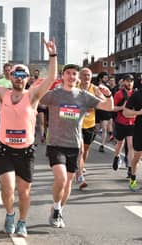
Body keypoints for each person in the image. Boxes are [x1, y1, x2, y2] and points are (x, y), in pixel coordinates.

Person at [0, 38, 57, 237]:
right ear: (10, 76)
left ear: (27, 78)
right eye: (15, 74)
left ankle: (22, 221)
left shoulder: (33, 96)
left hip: (26, 151)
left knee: (24, 191)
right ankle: (10, 214)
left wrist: (52, 55)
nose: (19, 77)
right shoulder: (3, 93)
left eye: (23, 74)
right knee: (8, 187)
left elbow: (51, 78)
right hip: (5, 150)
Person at [40, 64, 113, 228]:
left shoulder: (84, 96)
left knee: (68, 183)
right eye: (68, 73)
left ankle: (58, 210)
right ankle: (57, 208)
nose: (71, 76)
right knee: (61, 177)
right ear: (63, 76)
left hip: (74, 145)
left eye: (74, 74)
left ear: (77, 78)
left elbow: (109, 107)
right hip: (56, 144)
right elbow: (34, 97)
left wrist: (109, 95)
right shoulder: (54, 95)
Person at [76, 68, 104, 189]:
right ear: (80, 76)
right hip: (76, 123)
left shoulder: (95, 89)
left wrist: (95, 103)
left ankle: (81, 165)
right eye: (84, 75)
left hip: (90, 123)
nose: (86, 77)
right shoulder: (75, 87)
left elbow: (103, 102)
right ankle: (80, 175)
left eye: (88, 75)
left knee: (86, 150)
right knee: (80, 150)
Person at [112, 74, 135, 179]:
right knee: (120, 143)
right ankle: (116, 157)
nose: (129, 83)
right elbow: (112, 108)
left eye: (131, 81)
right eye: (127, 81)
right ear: (124, 82)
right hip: (120, 122)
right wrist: (121, 107)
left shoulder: (135, 94)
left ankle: (130, 169)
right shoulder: (118, 94)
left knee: (130, 146)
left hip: (132, 123)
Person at [123, 86, 142, 191]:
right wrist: (138, 113)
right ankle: (133, 178)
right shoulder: (137, 95)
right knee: (137, 157)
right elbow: (125, 112)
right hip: (140, 130)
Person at [95, 72, 113, 152]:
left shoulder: (108, 87)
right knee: (96, 128)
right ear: (100, 78)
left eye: (107, 78)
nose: (106, 79)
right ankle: (91, 139)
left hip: (105, 110)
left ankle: (102, 145)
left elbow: (110, 98)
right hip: (98, 109)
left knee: (104, 128)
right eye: (105, 78)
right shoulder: (95, 86)